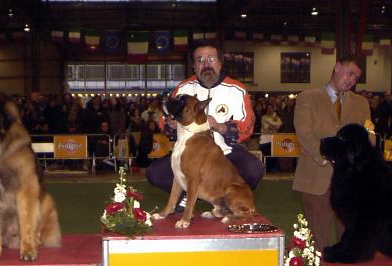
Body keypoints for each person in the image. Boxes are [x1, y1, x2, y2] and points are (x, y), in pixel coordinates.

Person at [146, 43, 265, 198]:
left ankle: (227, 198)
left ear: (220, 63)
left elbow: (247, 127)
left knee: (254, 169)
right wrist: (171, 124)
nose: (206, 64)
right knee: (155, 174)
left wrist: (220, 126)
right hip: (188, 152)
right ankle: (186, 198)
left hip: (226, 153)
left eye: (211, 59)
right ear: (194, 66)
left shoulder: (237, 89)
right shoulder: (183, 88)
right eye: (200, 60)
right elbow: (164, 121)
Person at [293, 56, 371, 254]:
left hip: (351, 183)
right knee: (319, 242)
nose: (352, 80)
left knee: (350, 237)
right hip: (316, 178)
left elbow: (369, 135)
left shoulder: (362, 103)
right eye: (350, 73)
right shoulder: (307, 98)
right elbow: (304, 134)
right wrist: (328, 157)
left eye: (356, 78)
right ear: (337, 68)